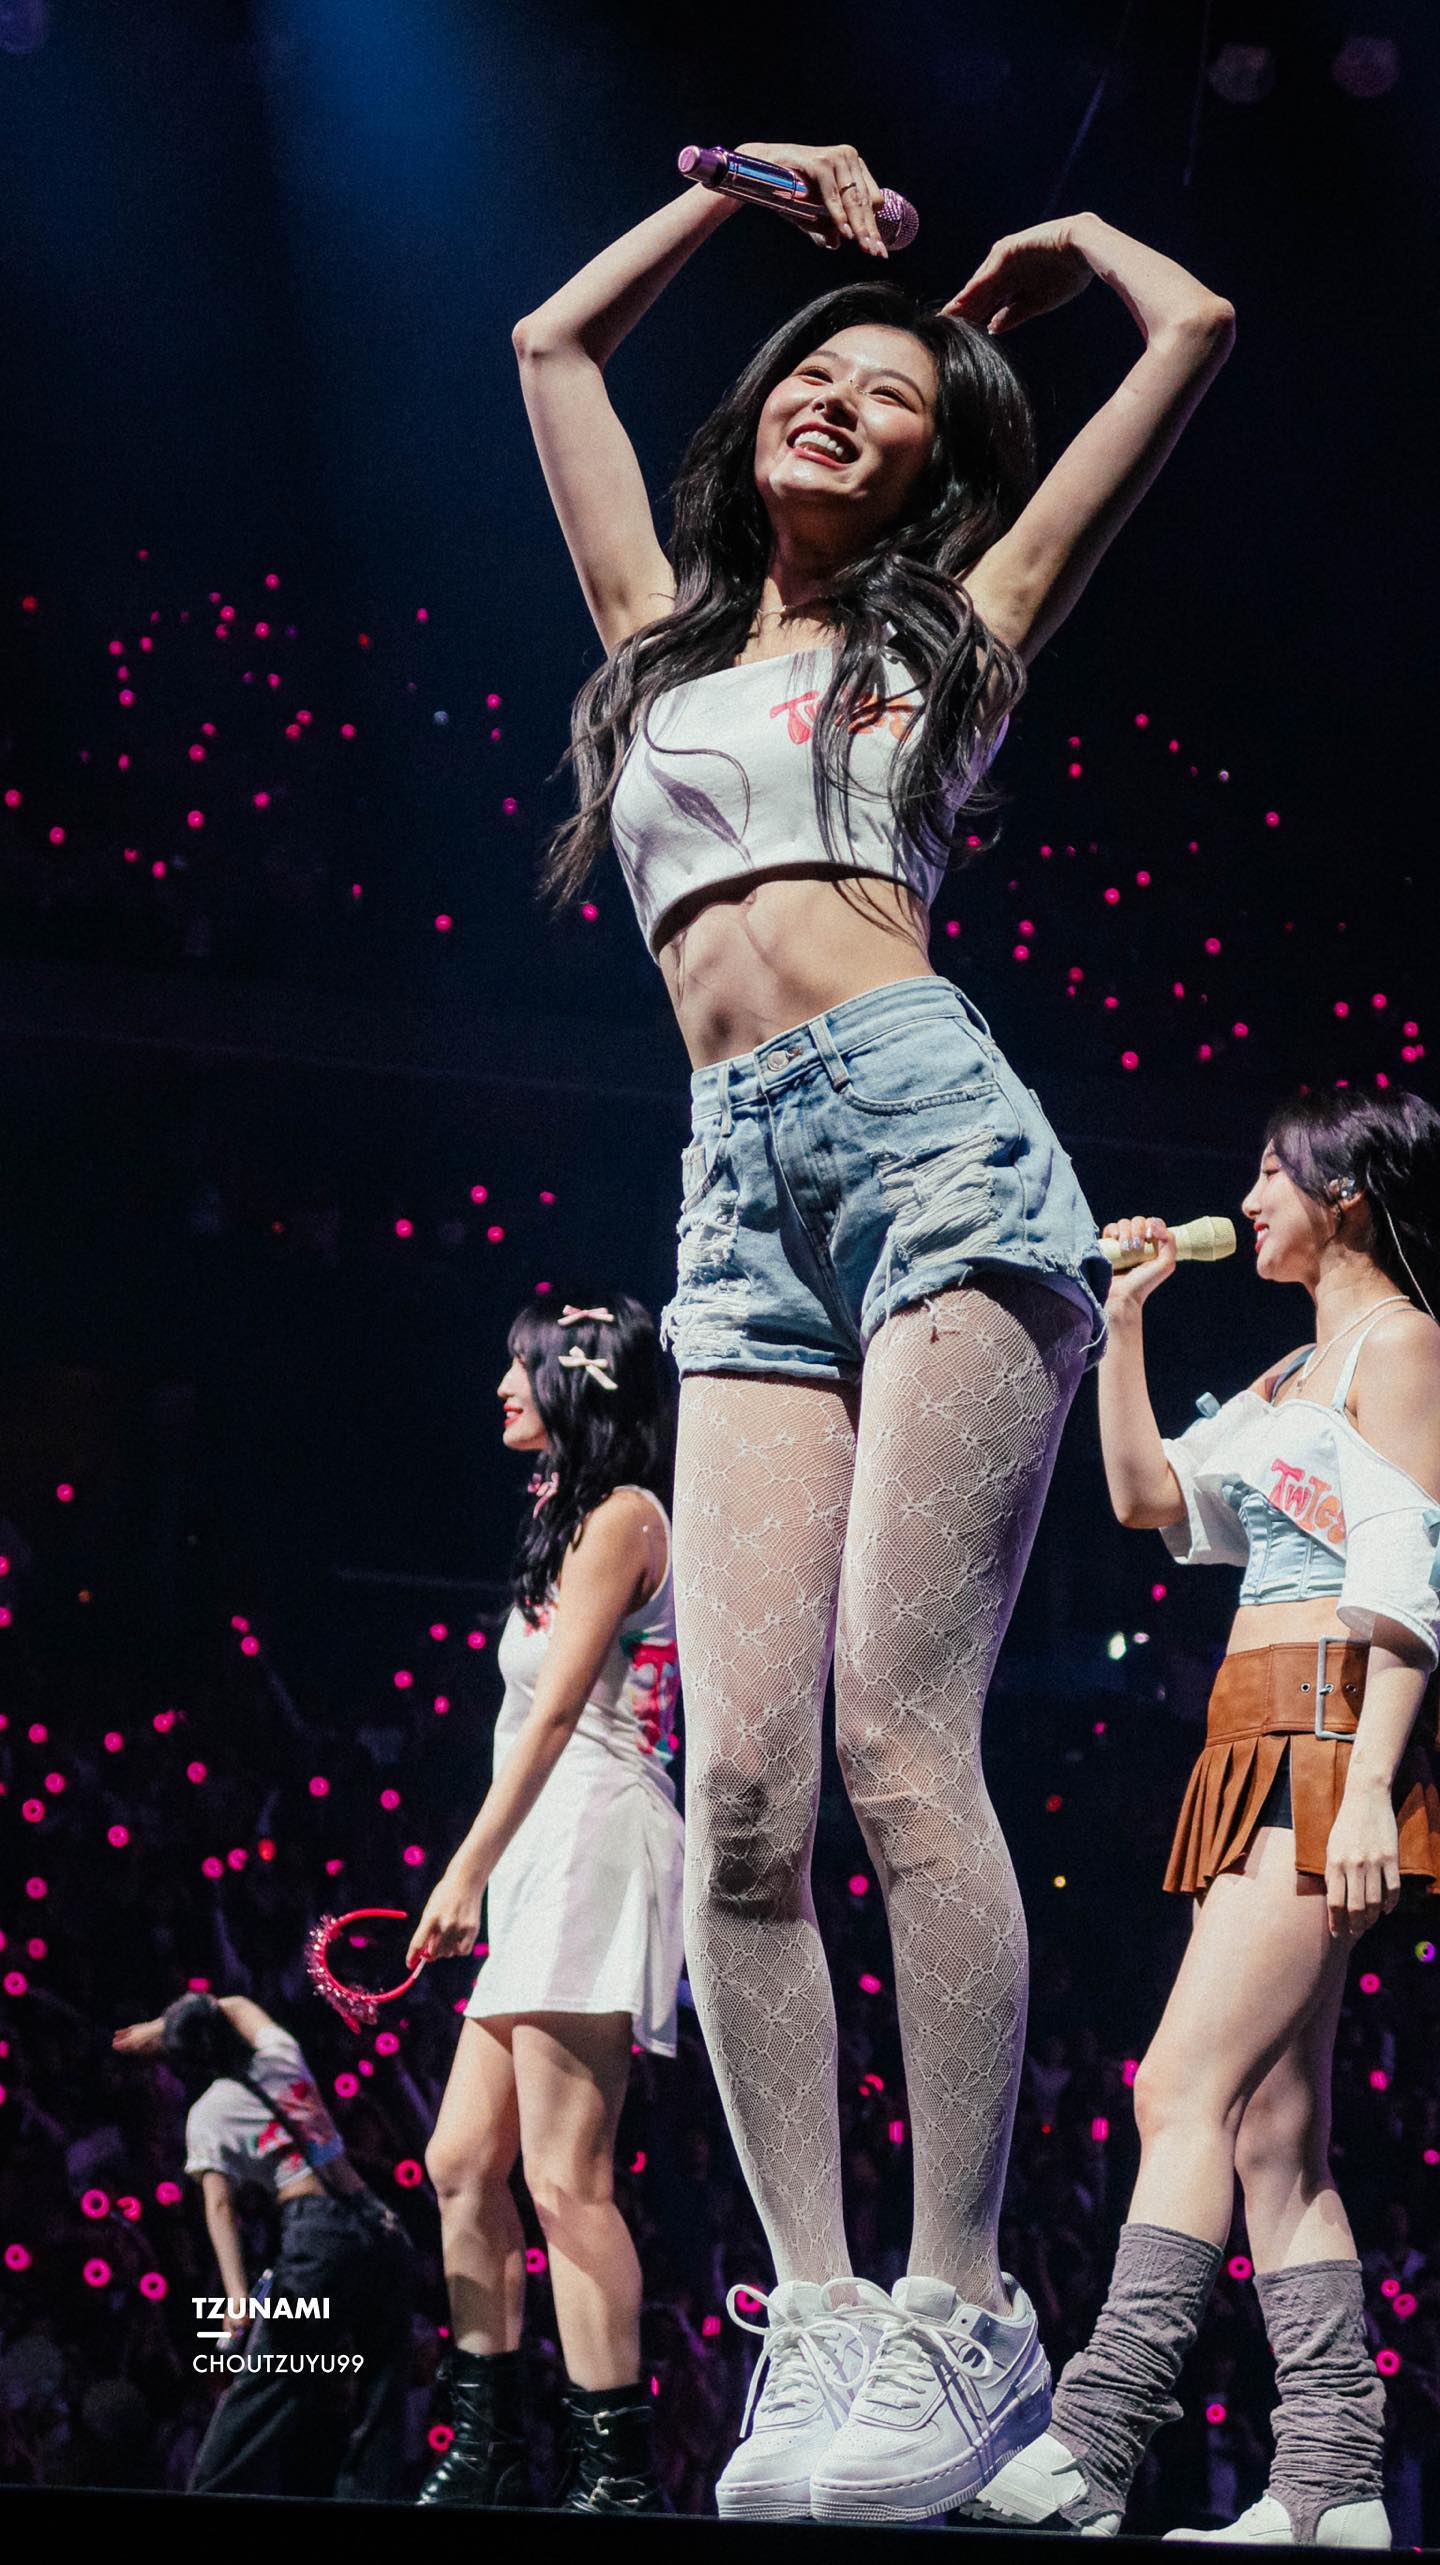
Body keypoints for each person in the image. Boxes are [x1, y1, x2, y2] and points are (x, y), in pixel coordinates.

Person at [511, 136, 1233, 2522]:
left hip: (932, 1150)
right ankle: (816, 2317)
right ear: (757, 423)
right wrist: (734, 189)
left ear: (936, 473)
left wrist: (1069, 255)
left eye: (890, 399)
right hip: (731, 1192)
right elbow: (549, 345)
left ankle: (962, 2305)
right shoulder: (654, 642)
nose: (836, 399)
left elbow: (1196, 330)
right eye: (811, 379)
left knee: (898, 1745)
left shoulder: (953, 639)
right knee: (737, 1795)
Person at [971, 1085, 1440, 2545]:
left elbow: (1411, 1577)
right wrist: (1124, 1322)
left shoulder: (1402, 1345)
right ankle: (1336, 2483)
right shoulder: (1289, 1372)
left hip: (1323, 1740)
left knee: (1176, 2089)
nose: (1247, 1200)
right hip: (1247, 1742)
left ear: (1346, 1195)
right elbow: (1147, 1498)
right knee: (1272, 2138)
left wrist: (1370, 1788)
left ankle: (1095, 2445)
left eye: (1271, 1174)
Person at [410, 1295, 683, 2514]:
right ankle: (487, 2448)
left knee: (568, 2180)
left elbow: (564, 1712)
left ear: (582, 1379)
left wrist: (464, 1869)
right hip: (543, 1849)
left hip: (592, 1840)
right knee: (462, 2161)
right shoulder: (568, 1513)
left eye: (524, 1366)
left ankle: (613, 2477)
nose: (505, 1387)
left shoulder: (626, 1517)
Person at [113, 1990, 416, 2498]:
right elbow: (233, 2003)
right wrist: (163, 2024)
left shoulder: (208, 2113)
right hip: (381, 2225)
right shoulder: (281, 2055)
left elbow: (220, 2206)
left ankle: (206, 2495)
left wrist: (236, 2295)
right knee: (382, 2394)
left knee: (263, 2383)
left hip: (320, 2239)